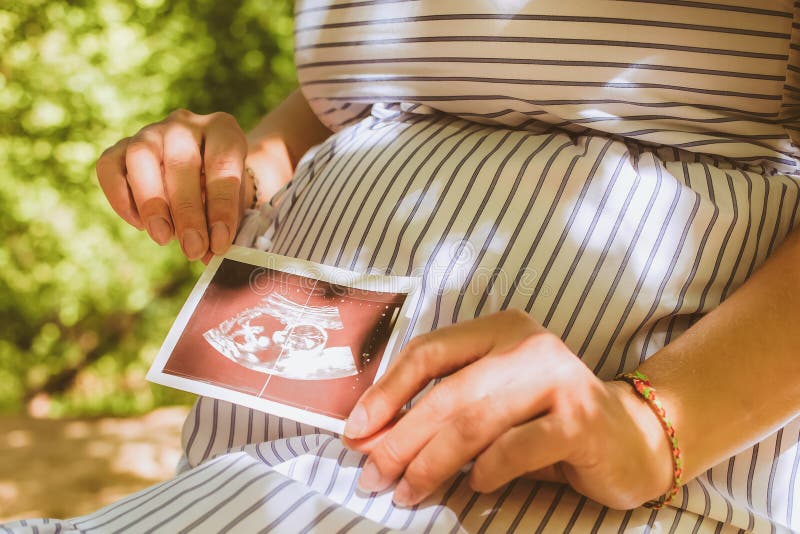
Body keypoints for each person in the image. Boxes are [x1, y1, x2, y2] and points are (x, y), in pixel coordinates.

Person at [4, 1, 800, 532]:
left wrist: (655, 424)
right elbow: (355, 94)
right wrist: (233, 173)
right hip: (255, 455)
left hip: (566, 489)